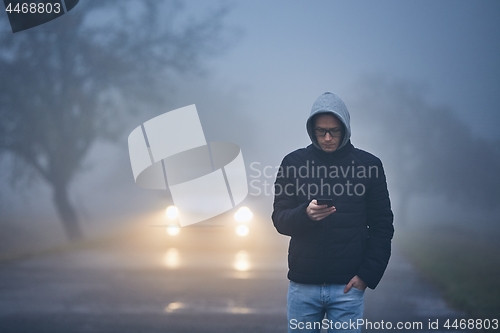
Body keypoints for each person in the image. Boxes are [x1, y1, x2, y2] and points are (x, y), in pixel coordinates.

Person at [272, 92, 394, 333]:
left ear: (345, 128)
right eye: (321, 131)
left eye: (334, 131)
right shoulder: (293, 163)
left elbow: (382, 225)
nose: (327, 138)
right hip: (302, 286)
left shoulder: (369, 166)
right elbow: (279, 219)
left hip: (348, 287)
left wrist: (367, 276)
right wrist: (305, 214)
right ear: (312, 130)